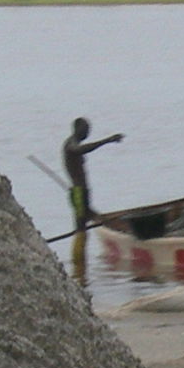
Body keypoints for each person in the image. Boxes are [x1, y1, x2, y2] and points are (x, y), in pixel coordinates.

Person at [62, 116, 124, 284]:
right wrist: (107, 140)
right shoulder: (71, 144)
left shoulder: (73, 143)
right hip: (78, 192)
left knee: (88, 221)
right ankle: (78, 269)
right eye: (86, 129)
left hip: (82, 191)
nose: (88, 133)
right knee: (80, 228)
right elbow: (79, 150)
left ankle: (81, 272)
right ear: (77, 129)